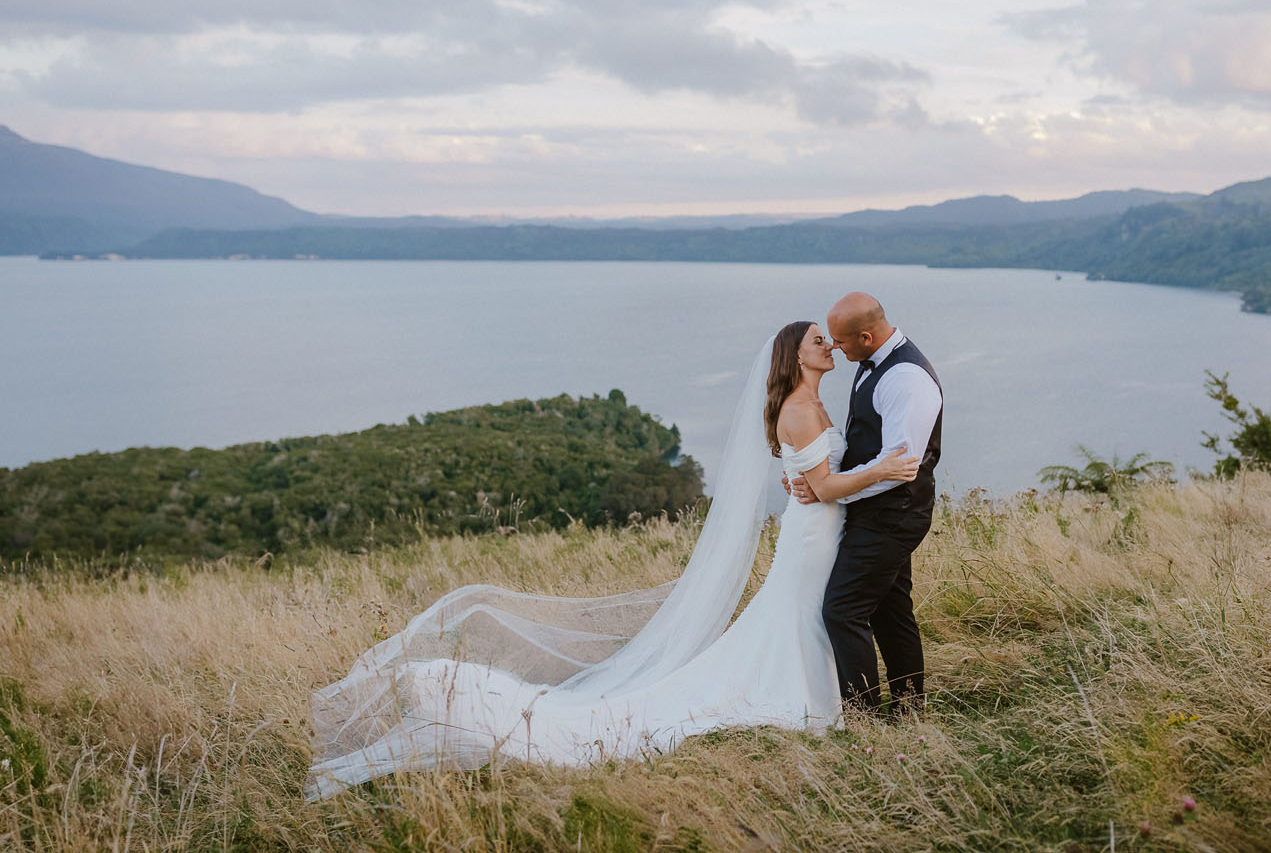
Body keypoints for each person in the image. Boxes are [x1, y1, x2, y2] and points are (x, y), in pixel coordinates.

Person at [305, 320, 918, 799]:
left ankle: (827, 695)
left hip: (820, 531)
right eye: (818, 341)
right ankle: (819, 700)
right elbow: (827, 484)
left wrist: (808, 477)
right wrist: (884, 469)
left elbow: (816, 474)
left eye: (829, 339)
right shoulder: (800, 409)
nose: (829, 345)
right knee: (800, 614)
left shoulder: (811, 403)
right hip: (813, 536)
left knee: (803, 616)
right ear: (795, 356)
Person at [788, 292, 943, 717]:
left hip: (893, 516)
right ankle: (908, 708)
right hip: (875, 512)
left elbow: (898, 468)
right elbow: (864, 446)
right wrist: (818, 477)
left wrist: (829, 490)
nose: (835, 348)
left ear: (867, 337)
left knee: (842, 611)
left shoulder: (905, 379)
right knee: (891, 610)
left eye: (840, 341)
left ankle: (864, 716)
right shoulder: (873, 361)